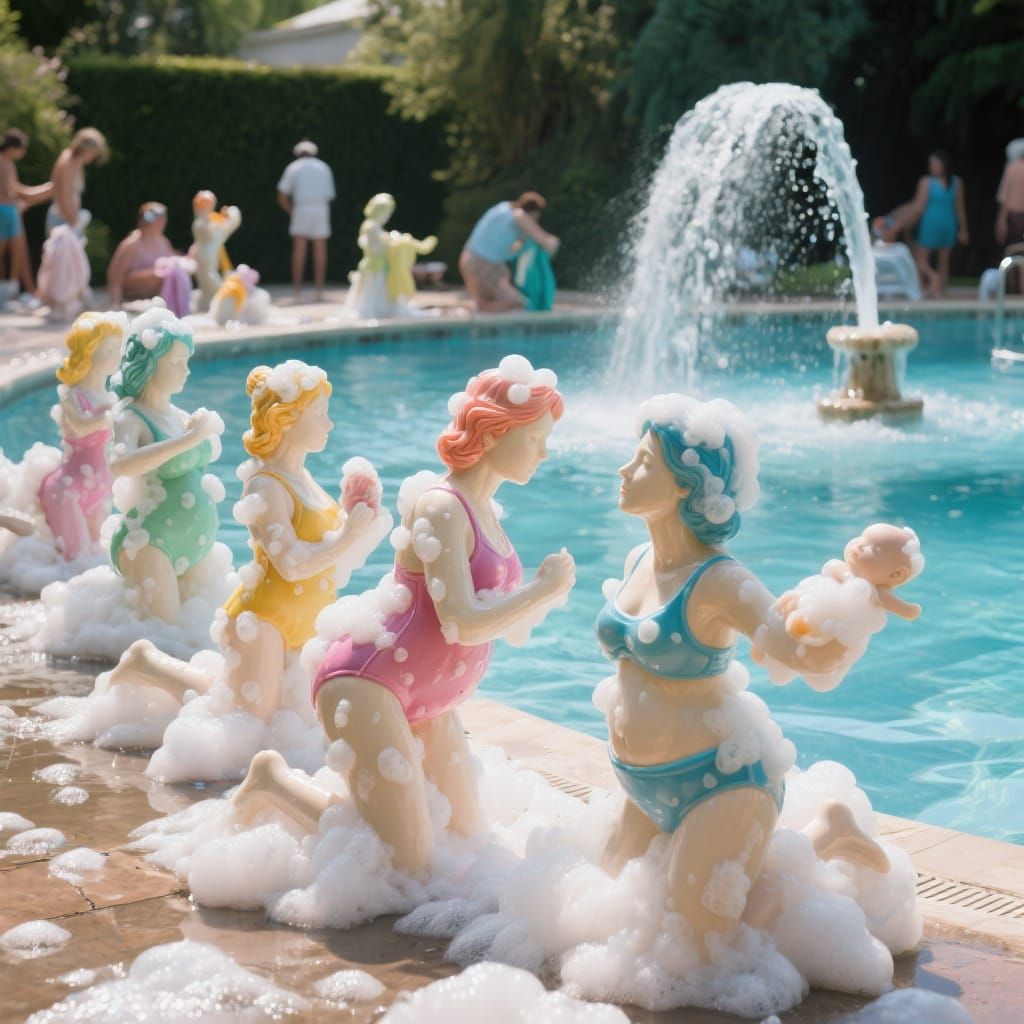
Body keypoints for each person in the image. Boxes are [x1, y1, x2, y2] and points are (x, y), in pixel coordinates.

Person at [230, 356, 576, 875]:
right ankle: (273, 785)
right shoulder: (441, 506)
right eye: (534, 438)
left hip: (432, 698)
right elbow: (460, 621)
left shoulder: (484, 509)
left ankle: (375, 807)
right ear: (493, 432)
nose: (545, 452)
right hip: (371, 682)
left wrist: (536, 597)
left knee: (470, 840)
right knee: (405, 864)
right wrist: (542, 592)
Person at [596, 394, 898, 960]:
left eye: (643, 462)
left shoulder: (719, 580)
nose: (625, 470)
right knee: (598, 909)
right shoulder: (640, 559)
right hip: (644, 788)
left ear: (687, 484)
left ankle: (825, 837)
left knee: (705, 952)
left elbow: (803, 659)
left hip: (723, 781)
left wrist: (856, 609)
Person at [885, 150, 968, 298]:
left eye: (933, 163)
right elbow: (960, 208)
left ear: (943, 165)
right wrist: (963, 230)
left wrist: (899, 222)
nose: (931, 166)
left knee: (921, 260)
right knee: (944, 261)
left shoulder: (926, 182)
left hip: (931, 222)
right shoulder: (957, 182)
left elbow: (918, 208)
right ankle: (938, 291)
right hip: (949, 222)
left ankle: (928, 283)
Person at [459, 192, 560, 312]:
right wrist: (554, 243)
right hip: (482, 265)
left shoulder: (503, 208)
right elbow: (546, 242)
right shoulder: (520, 215)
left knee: (487, 302)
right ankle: (476, 316)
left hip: (469, 260)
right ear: (534, 213)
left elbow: (507, 247)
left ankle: (477, 319)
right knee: (515, 302)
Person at [277, 139, 335, 302]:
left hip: (302, 208)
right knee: (320, 249)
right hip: (320, 209)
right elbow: (329, 195)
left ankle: (297, 291)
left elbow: (281, 195)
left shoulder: (293, 167)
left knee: (299, 249)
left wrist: (292, 211)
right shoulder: (324, 167)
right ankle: (319, 291)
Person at [0, 129, 53, 304]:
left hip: (9, 210)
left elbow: (18, 194)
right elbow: (18, 193)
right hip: (5, 212)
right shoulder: (3, 162)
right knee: (12, 253)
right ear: (14, 147)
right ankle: (13, 293)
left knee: (18, 253)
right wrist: (50, 188)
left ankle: (18, 292)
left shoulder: (7, 162)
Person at [106, 203, 175, 308]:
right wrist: (115, 303)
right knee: (156, 275)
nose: (163, 222)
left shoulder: (164, 242)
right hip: (132, 298)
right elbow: (115, 278)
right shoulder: (132, 244)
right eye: (159, 219)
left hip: (155, 300)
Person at [47, 127, 108, 235]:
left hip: (67, 219)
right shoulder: (68, 162)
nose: (94, 157)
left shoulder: (76, 162)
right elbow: (65, 196)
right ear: (87, 149)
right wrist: (74, 223)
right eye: (94, 153)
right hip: (63, 220)